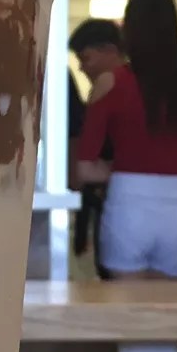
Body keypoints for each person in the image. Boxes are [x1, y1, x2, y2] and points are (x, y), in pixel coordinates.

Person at [73, 0, 177, 279]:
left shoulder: (110, 83)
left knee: (126, 303)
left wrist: (123, 168)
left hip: (128, 204)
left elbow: (85, 168)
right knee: (168, 303)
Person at [66, 17, 123, 265]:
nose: (81, 68)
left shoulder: (113, 87)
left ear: (110, 51)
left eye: (86, 58)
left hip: (117, 200)